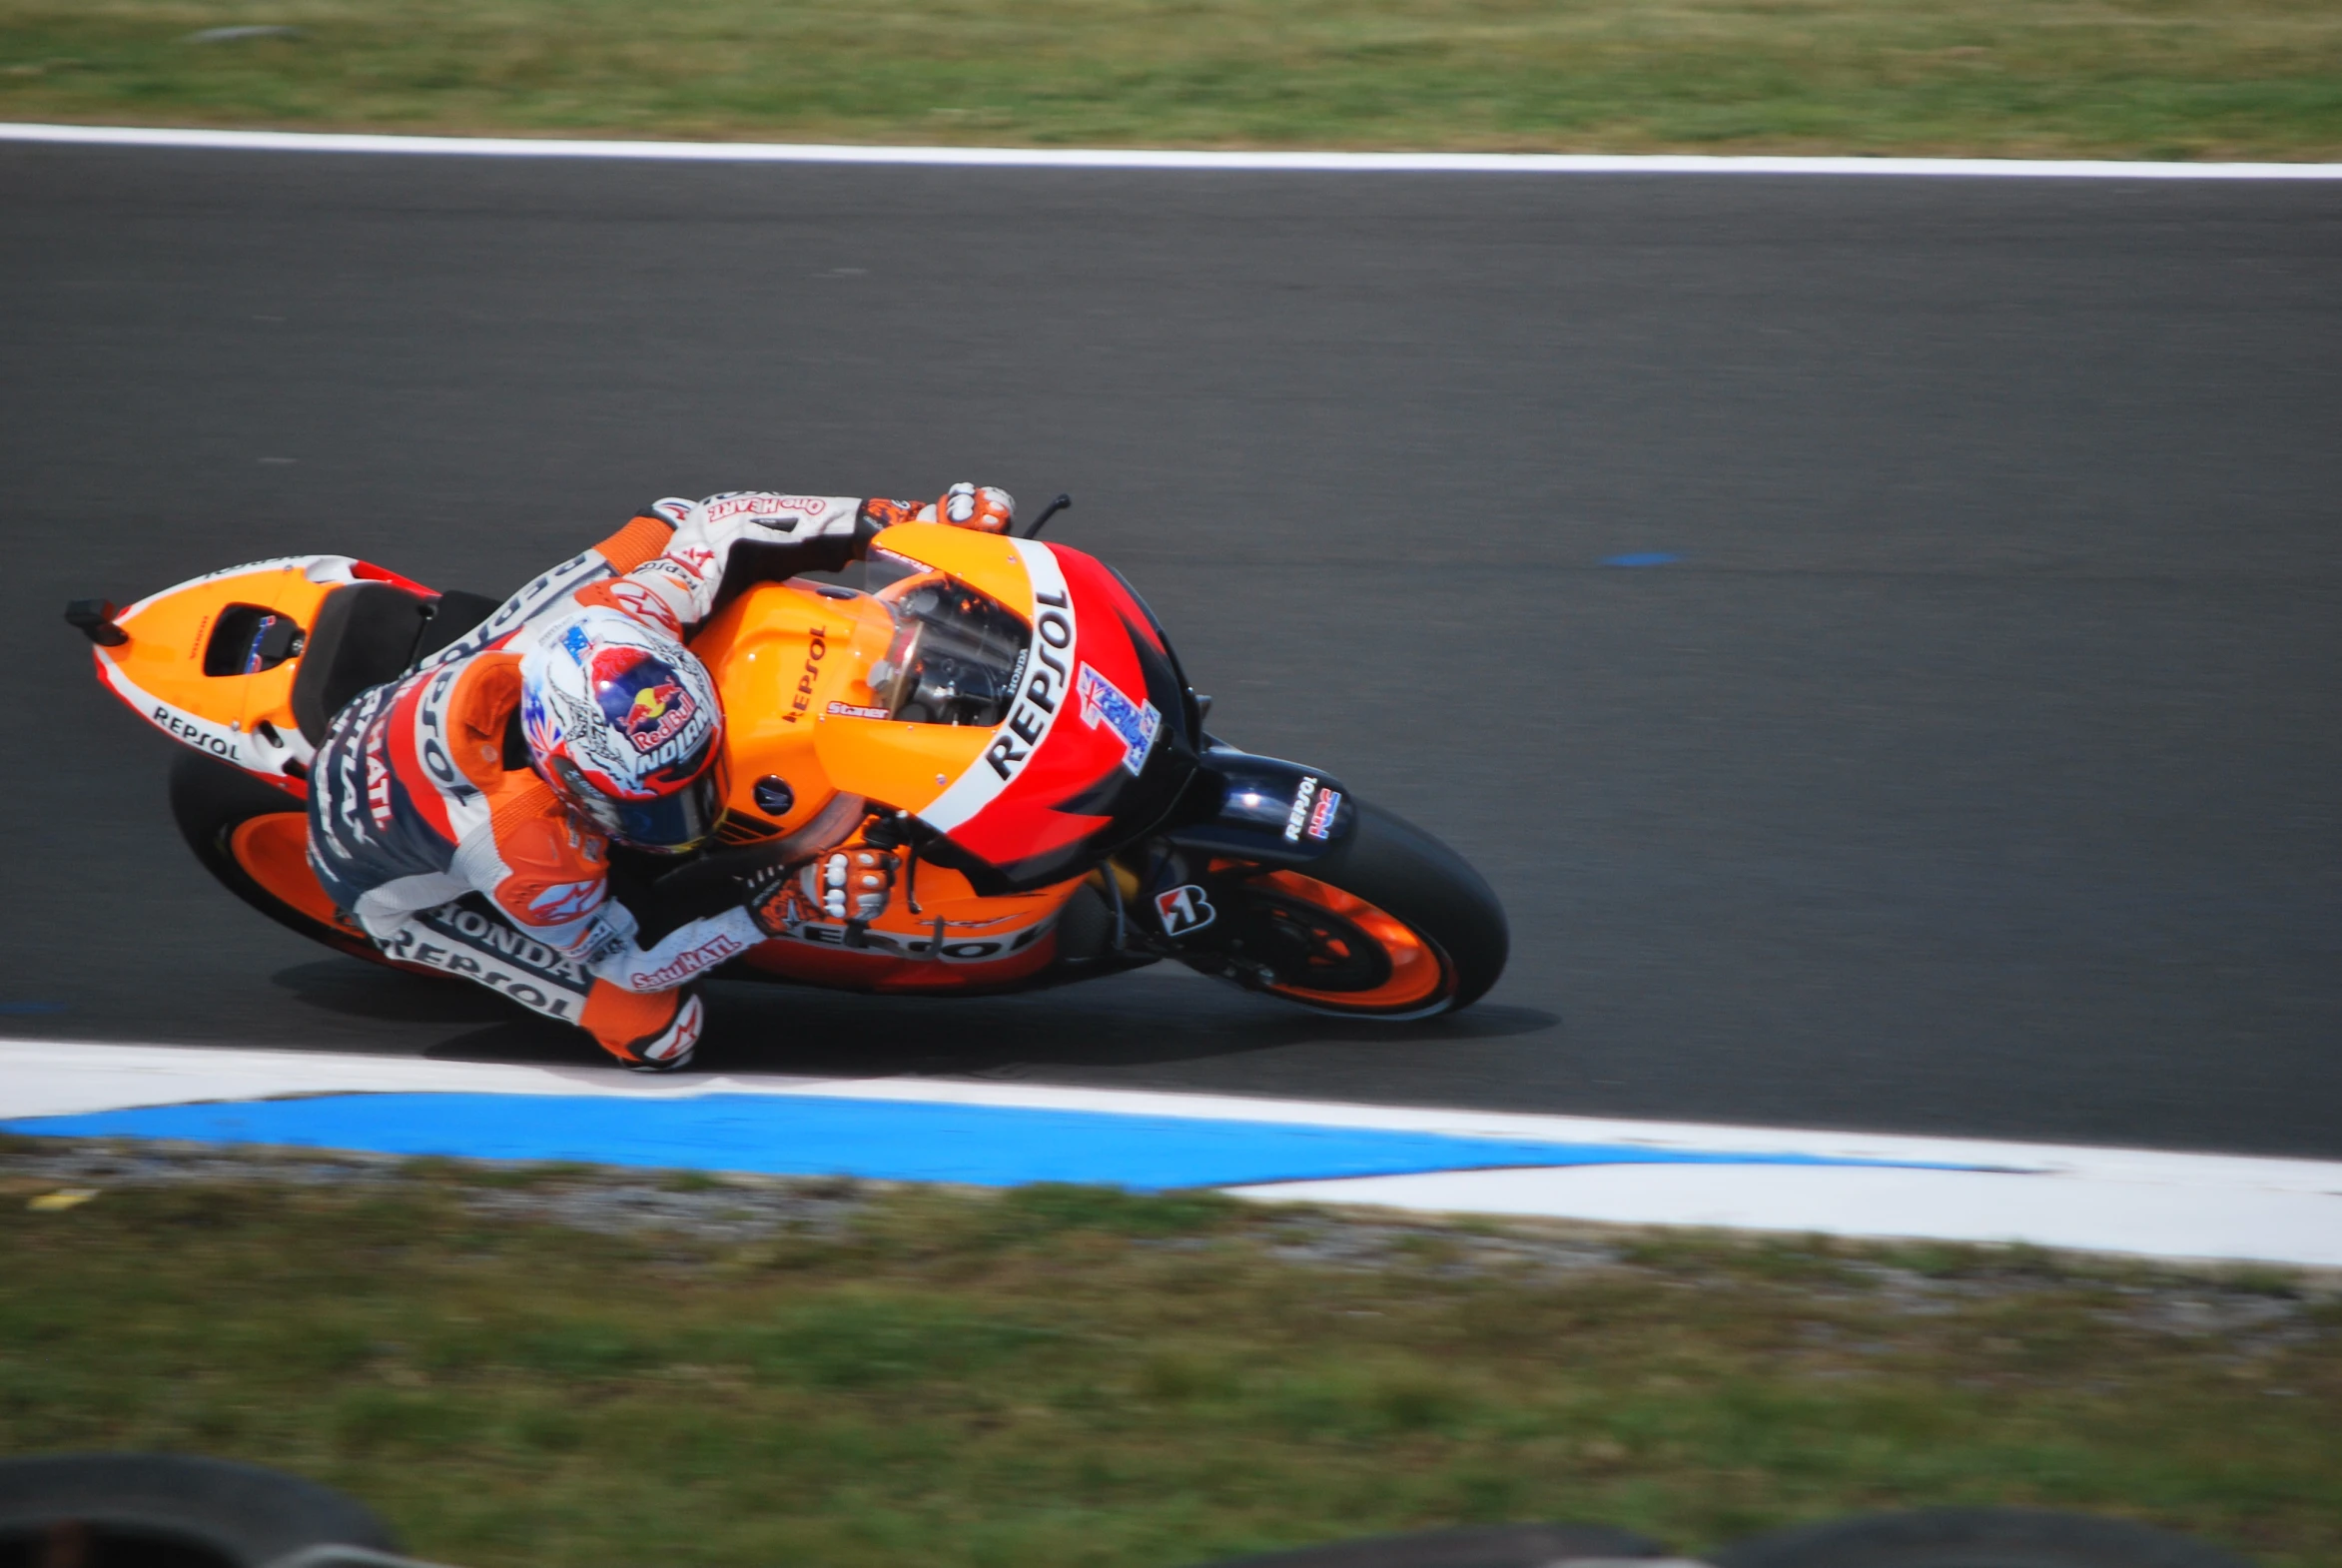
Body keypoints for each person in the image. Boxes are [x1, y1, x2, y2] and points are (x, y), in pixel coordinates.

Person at [305, 482, 1016, 1071]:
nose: (691, 812)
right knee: (658, 1032)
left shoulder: (625, 619)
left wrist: (900, 524)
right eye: (664, 804)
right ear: (568, 783)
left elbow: (725, 520)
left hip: (460, 687)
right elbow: (631, 963)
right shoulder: (529, 853)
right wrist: (774, 909)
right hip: (381, 882)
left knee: (668, 525)